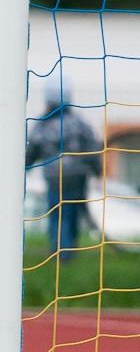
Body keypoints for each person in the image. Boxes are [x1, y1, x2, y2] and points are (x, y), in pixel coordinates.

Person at [26, 82, 102, 261]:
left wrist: (26, 165)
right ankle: (69, 248)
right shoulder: (79, 123)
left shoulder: (42, 125)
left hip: (54, 176)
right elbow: (92, 146)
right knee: (72, 212)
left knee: (57, 213)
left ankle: (61, 251)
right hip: (77, 174)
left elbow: (32, 150)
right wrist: (97, 170)